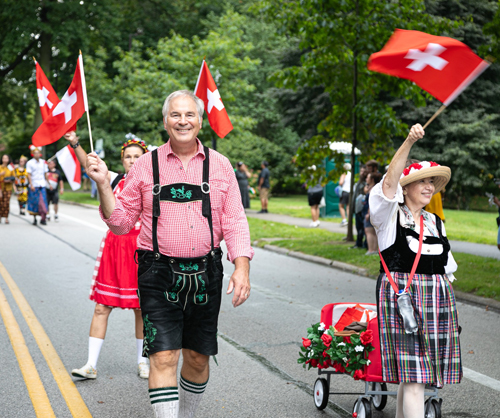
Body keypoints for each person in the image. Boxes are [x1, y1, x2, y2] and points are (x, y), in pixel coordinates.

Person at [86, 90, 253, 418]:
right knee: (163, 357)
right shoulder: (145, 166)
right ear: (165, 122)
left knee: (197, 357)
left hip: (207, 273)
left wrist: (242, 266)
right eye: (175, 115)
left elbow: (235, 221)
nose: (183, 121)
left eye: (189, 115)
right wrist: (105, 185)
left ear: (200, 122)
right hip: (157, 272)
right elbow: (120, 223)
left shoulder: (220, 166)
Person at [370, 124, 461, 418]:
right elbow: (388, 182)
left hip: (437, 303)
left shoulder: (436, 222)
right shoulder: (387, 215)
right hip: (403, 300)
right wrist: (409, 141)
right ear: (404, 187)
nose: (428, 187)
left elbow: (447, 268)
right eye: (421, 182)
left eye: (432, 183)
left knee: (415, 376)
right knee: (417, 377)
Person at [65, 131, 151, 380]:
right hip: (115, 248)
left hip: (141, 250)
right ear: (122, 160)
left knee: (141, 309)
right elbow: (89, 165)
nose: (133, 161)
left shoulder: (152, 183)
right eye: (128, 157)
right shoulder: (114, 179)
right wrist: (76, 144)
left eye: (137, 156)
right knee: (102, 306)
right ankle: (90, 364)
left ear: (145, 158)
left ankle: (142, 361)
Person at [26, 147, 49, 226]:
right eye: (35, 153)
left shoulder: (43, 162)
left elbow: (45, 174)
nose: (37, 154)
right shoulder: (30, 163)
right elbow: (29, 174)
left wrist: (48, 183)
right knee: (35, 202)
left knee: (43, 201)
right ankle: (35, 218)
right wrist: (31, 184)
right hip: (34, 185)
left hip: (42, 184)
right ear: (33, 154)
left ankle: (43, 218)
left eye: (38, 153)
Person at [362, 171, 382, 255]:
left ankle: (371, 250)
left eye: (368, 177)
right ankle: (375, 250)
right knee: (374, 232)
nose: (366, 179)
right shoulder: (376, 188)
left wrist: (368, 213)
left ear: (372, 179)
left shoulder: (372, 190)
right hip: (375, 213)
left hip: (370, 213)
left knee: (369, 231)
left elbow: (372, 202)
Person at [351, 164, 367, 249]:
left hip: (362, 207)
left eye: (364, 172)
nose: (362, 173)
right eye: (361, 171)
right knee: (358, 227)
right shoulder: (359, 182)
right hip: (357, 207)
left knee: (363, 227)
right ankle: (358, 243)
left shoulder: (366, 183)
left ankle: (364, 244)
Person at [0, 154, 16, 224]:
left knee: (6, 203)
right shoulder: (0, 167)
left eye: (6, 158)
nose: (5, 160)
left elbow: (14, 177)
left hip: (8, 187)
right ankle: (0, 216)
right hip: (0, 187)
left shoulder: (10, 167)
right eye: (4, 158)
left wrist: (9, 180)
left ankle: (6, 217)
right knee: (0, 202)